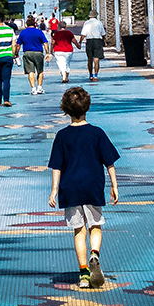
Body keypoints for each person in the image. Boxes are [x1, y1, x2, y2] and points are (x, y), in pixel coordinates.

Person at [48, 86, 120, 289]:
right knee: (95, 226)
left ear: (65, 110)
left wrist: (54, 190)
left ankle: (83, 274)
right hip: (92, 186)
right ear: (87, 107)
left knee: (78, 231)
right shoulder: (97, 133)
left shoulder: (62, 136)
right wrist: (114, 185)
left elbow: (56, 166)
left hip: (70, 189)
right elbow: (110, 163)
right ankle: (94, 254)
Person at [15, 17, 51, 95]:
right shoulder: (39, 32)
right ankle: (39, 87)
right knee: (40, 71)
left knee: (30, 71)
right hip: (38, 53)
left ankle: (33, 89)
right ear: (35, 24)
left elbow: (18, 45)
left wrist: (16, 54)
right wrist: (47, 53)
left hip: (27, 53)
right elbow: (45, 43)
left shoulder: (23, 33)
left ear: (26, 24)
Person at [79, 10, 106, 82]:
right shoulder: (99, 23)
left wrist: (80, 42)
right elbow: (103, 34)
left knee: (90, 59)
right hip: (97, 41)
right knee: (96, 59)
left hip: (89, 41)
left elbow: (83, 34)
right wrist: (104, 41)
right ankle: (96, 75)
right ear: (96, 16)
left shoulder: (86, 23)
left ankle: (90, 75)